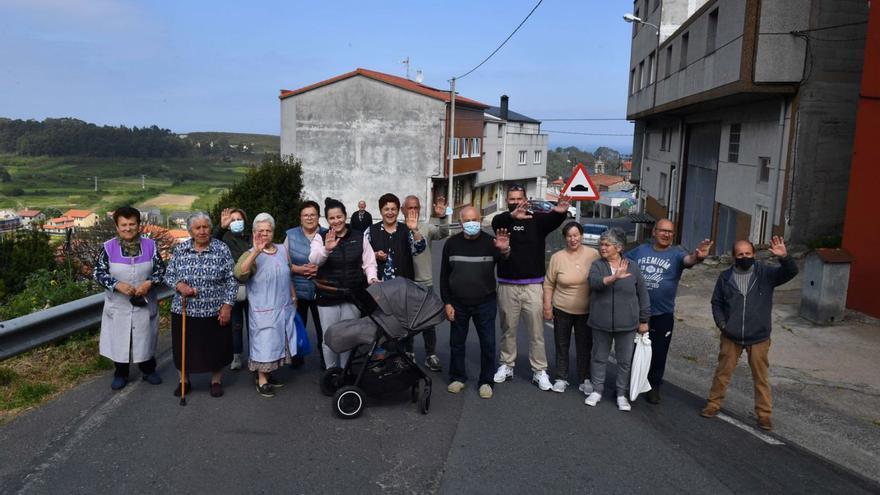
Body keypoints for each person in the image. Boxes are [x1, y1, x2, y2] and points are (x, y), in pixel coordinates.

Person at [701, 237, 797, 431]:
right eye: (740, 254)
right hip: (731, 335)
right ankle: (713, 404)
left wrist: (784, 257)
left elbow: (791, 272)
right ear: (734, 257)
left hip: (759, 337)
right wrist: (722, 324)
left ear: (754, 254)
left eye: (747, 254)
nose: (744, 257)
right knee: (723, 373)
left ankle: (764, 415)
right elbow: (716, 303)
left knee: (761, 378)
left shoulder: (766, 274)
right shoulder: (725, 277)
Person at [625, 219, 712, 404]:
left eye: (670, 232)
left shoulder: (677, 254)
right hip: (636, 310)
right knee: (630, 349)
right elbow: (621, 261)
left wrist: (699, 256)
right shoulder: (640, 250)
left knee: (658, 352)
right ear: (654, 232)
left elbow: (689, 261)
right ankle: (630, 383)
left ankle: (653, 386)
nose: (666, 234)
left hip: (662, 314)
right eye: (663, 231)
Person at [491, 185, 569, 391]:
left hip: (534, 286)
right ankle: (507, 365)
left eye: (519, 198)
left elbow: (555, 217)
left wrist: (561, 210)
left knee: (536, 332)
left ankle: (539, 371)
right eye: (512, 198)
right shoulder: (503, 221)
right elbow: (496, 222)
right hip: (507, 285)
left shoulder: (537, 221)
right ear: (507, 200)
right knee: (508, 330)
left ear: (526, 199)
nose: (516, 202)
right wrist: (512, 216)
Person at [164, 212, 237, 398]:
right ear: (190, 230)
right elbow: (169, 274)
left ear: (211, 228)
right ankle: (184, 380)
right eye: (198, 228)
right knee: (184, 348)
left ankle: (216, 380)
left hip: (214, 309)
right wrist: (180, 285)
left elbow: (232, 279)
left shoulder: (221, 248)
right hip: (184, 309)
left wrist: (227, 305)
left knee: (216, 347)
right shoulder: (181, 249)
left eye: (206, 227)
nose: (202, 231)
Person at [94, 206, 166, 390]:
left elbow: (161, 270)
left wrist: (149, 283)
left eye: (132, 224)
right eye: (123, 225)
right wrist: (117, 285)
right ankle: (120, 373)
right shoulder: (108, 248)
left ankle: (148, 370)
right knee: (120, 339)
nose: (128, 228)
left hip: (144, 302)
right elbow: (98, 272)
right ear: (117, 227)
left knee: (145, 337)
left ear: (138, 225)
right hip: (118, 305)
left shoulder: (150, 245)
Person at [441, 206, 510, 399]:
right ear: (461, 222)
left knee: (488, 343)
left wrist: (504, 251)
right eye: (467, 220)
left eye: (475, 220)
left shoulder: (491, 243)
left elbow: (505, 265)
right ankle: (457, 377)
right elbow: (444, 276)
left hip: (485, 302)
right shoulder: (451, 244)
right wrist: (447, 302)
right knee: (457, 342)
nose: (471, 223)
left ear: (480, 220)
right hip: (458, 303)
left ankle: (486, 381)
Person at [584, 228, 650, 411]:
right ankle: (597, 391)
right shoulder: (597, 265)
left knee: (624, 361)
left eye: (607, 244)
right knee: (598, 358)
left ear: (619, 247)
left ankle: (622, 394)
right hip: (600, 322)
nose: (602, 247)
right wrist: (614, 277)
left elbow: (643, 295)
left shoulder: (633, 267)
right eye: (601, 244)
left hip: (627, 324)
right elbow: (594, 283)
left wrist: (644, 320)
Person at [235, 213, 300, 398]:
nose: (265, 234)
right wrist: (256, 251)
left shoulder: (281, 249)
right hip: (263, 309)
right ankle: (261, 378)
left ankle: (269, 374)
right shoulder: (250, 254)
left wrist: (294, 297)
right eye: (260, 231)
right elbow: (240, 274)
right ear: (254, 233)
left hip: (284, 306)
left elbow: (288, 274)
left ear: (273, 232)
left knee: (278, 342)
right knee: (264, 344)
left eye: (268, 230)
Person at [309, 198, 379, 369]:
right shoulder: (321, 237)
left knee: (348, 338)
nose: (336, 221)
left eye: (339, 217)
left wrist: (372, 278)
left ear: (345, 216)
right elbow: (314, 260)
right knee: (329, 337)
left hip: (352, 295)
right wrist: (327, 249)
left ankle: (345, 373)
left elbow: (369, 262)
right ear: (327, 220)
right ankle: (332, 372)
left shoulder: (358, 236)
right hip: (328, 296)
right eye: (332, 218)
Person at [542, 222, 600, 394]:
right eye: (569, 236)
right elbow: (548, 284)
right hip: (562, 308)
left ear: (581, 236)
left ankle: (585, 378)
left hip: (587, 310)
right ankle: (561, 377)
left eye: (576, 235)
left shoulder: (593, 254)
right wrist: (547, 306)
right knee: (562, 345)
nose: (573, 239)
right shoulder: (557, 257)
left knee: (585, 347)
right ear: (565, 238)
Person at [403, 194, 449, 372]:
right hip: (406, 283)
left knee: (429, 322)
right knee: (407, 321)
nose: (413, 211)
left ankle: (430, 354)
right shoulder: (398, 229)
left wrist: (441, 216)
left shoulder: (426, 227)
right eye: (410, 208)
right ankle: (408, 352)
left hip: (425, 282)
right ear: (403, 210)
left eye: (416, 207)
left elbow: (443, 233)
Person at [284, 201, 327, 369]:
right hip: (298, 290)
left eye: (313, 214)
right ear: (300, 218)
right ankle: (297, 356)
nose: (309, 218)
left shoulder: (327, 233)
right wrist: (300, 269)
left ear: (318, 217)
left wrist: (319, 270)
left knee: (323, 328)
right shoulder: (291, 235)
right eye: (305, 215)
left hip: (322, 289)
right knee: (297, 326)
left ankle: (326, 359)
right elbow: (284, 262)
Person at [214, 207, 251, 371]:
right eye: (233, 220)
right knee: (236, 324)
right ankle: (236, 356)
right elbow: (212, 240)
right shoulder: (224, 238)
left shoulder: (251, 237)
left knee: (254, 324)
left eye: (239, 219)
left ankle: (256, 355)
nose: (236, 223)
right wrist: (221, 227)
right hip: (233, 288)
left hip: (252, 286)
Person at [367, 193, 426, 282]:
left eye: (393, 209)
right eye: (386, 209)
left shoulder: (407, 230)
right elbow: (362, 255)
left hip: (404, 285)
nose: (390, 212)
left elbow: (419, 249)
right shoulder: (371, 230)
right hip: (379, 286)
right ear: (381, 211)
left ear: (398, 211)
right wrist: (375, 255)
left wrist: (415, 230)